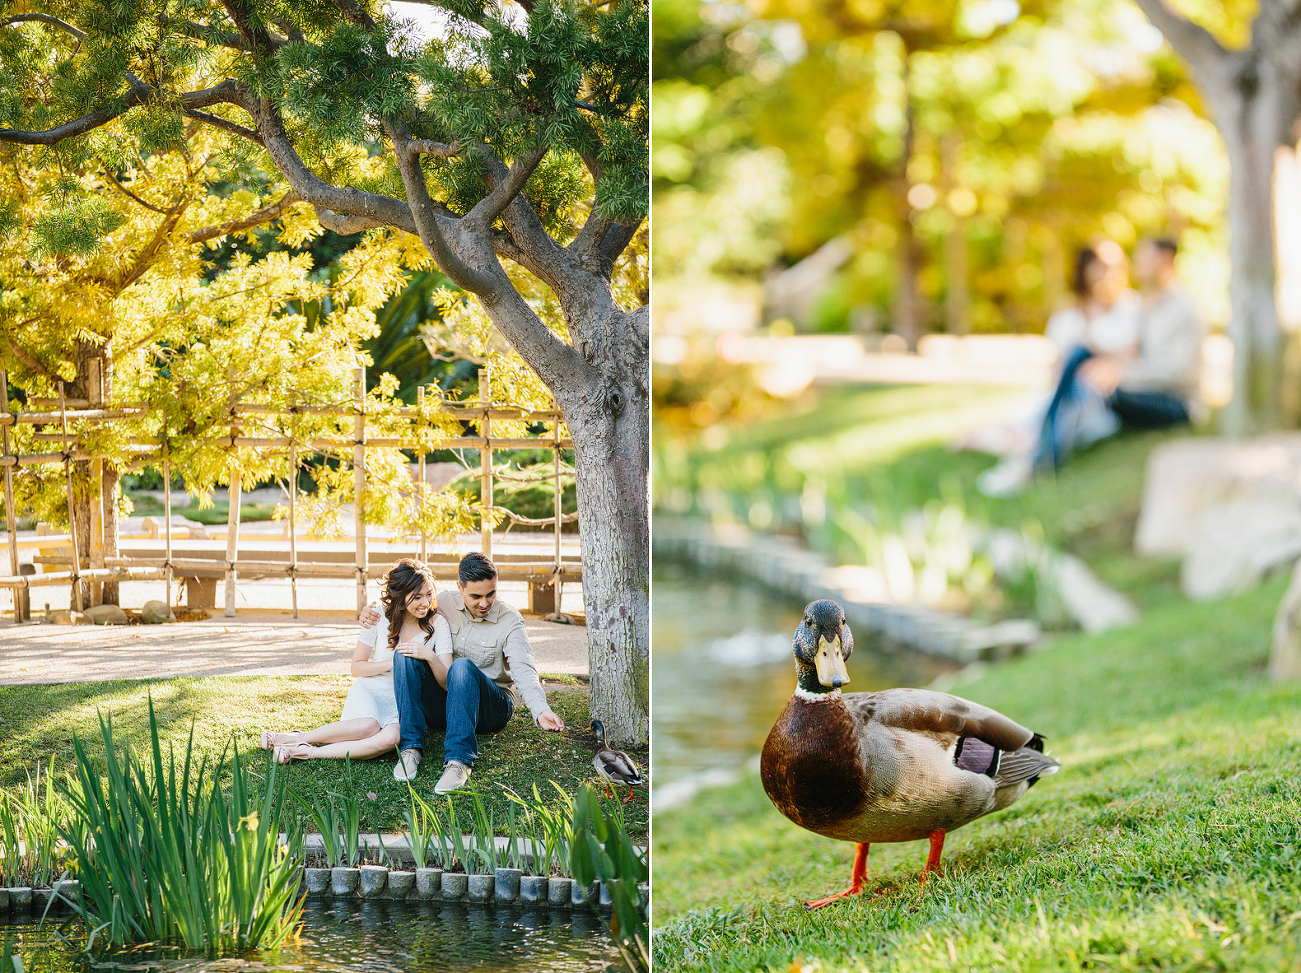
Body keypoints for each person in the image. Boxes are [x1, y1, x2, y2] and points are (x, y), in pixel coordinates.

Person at [359, 551, 565, 794]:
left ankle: (459, 762)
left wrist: (540, 709)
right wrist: (371, 610)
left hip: (491, 706)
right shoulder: (441, 602)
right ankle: (411, 748)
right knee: (407, 652)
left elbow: (524, 669)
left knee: (462, 666)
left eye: (491, 594)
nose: (484, 603)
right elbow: (405, 599)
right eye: (476, 596)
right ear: (460, 587)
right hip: (449, 701)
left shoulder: (510, 620)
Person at [976, 240, 1143, 496]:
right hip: (1065, 392)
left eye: (1113, 266)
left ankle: (1027, 462)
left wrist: (1092, 347)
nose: (1107, 273)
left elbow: (1130, 355)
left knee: (1042, 428)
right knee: (1029, 423)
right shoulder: (1069, 311)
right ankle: (1015, 452)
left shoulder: (1131, 306)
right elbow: (1055, 364)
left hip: (1101, 394)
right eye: (1100, 266)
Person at [259, 558, 451, 762]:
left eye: (429, 594)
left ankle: (307, 752)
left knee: (391, 738)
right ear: (400, 596)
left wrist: (428, 655)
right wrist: (393, 663)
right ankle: (296, 738)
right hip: (372, 689)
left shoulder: (438, 624)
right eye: (417, 597)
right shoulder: (377, 616)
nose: (426, 603)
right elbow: (357, 668)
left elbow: (447, 680)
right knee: (367, 726)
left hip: (404, 700)